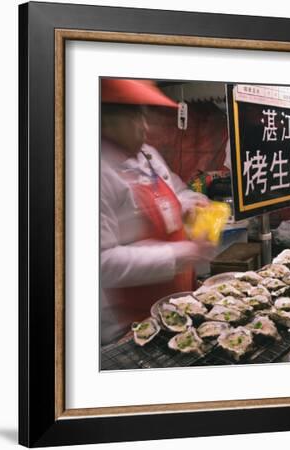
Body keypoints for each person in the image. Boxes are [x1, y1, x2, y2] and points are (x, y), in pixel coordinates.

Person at [99, 79, 213, 346]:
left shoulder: (148, 156)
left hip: (175, 300)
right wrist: (181, 253)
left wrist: (192, 203)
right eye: (136, 118)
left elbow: (178, 193)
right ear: (107, 122)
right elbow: (101, 263)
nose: (146, 127)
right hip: (128, 322)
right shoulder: (94, 171)